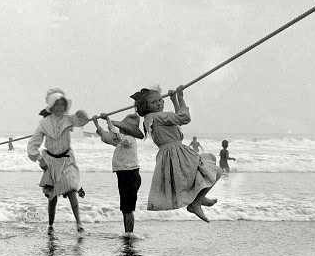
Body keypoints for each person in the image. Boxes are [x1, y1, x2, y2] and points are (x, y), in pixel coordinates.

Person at [131, 85, 221, 223]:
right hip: (177, 154)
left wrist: (174, 101)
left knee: (210, 159)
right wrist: (180, 98)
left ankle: (198, 198)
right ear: (146, 106)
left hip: (173, 154)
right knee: (215, 171)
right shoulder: (158, 116)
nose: (159, 103)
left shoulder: (151, 118)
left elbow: (178, 121)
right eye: (153, 102)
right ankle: (195, 203)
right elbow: (185, 118)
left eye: (160, 100)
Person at [27, 88, 91, 233]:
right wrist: (39, 159)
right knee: (52, 197)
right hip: (51, 161)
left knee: (71, 189)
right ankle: (50, 225)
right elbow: (32, 145)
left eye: (63, 105)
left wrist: (83, 115)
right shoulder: (44, 123)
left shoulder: (69, 119)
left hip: (67, 159)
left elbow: (82, 121)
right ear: (51, 107)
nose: (60, 108)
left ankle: (79, 223)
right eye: (57, 105)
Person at [93, 112, 143, 236]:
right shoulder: (121, 141)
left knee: (128, 209)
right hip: (123, 176)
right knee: (125, 209)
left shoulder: (129, 140)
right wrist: (96, 123)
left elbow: (117, 136)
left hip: (131, 176)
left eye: (122, 128)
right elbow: (107, 137)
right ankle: (127, 233)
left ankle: (130, 234)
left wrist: (108, 120)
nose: (120, 129)